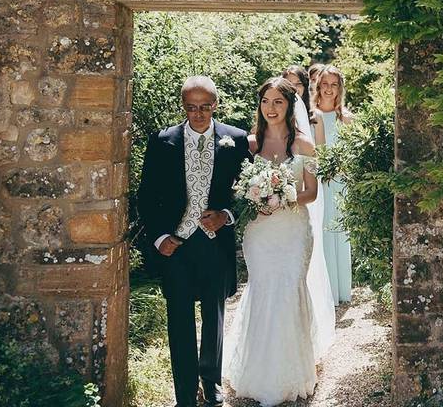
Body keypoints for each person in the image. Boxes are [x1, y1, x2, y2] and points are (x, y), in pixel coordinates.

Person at [137, 76, 251, 407]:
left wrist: (226, 215)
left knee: (214, 316)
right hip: (177, 243)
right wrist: (159, 238)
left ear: (215, 105)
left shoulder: (236, 139)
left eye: (204, 107)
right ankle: (185, 393)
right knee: (179, 319)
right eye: (191, 107)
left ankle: (211, 383)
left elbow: (246, 193)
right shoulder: (162, 140)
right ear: (183, 107)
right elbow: (147, 197)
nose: (198, 114)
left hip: (214, 243)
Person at [224, 77, 336, 406]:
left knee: (289, 289)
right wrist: (255, 198)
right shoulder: (250, 144)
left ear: (290, 106)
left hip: (293, 231)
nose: (271, 108)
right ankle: (257, 371)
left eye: (278, 102)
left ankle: (292, 373)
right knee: (262, 288)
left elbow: (313, 192)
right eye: (265, 101)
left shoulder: (304, 144)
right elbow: (236, 187)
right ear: (259, 105)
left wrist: (282, 198)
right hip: (260, 232)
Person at [310, 65, 354, 305]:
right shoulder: (310, 116)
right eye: (324, 84)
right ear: (318, 86)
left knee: (339, 233)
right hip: (318, 181)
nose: (328, 89)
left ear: (340, 89)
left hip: (340, 182)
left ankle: (340, 291)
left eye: (333, 85)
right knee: (321, 232)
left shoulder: (346, 119)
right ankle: (323, 292)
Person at [282, 64, 313, 139]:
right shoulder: (275, 112)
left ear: (305, 87)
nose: (294, 88)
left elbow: (320, 149)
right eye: (289, 83)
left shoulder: (315, 116)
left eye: (298, 84)